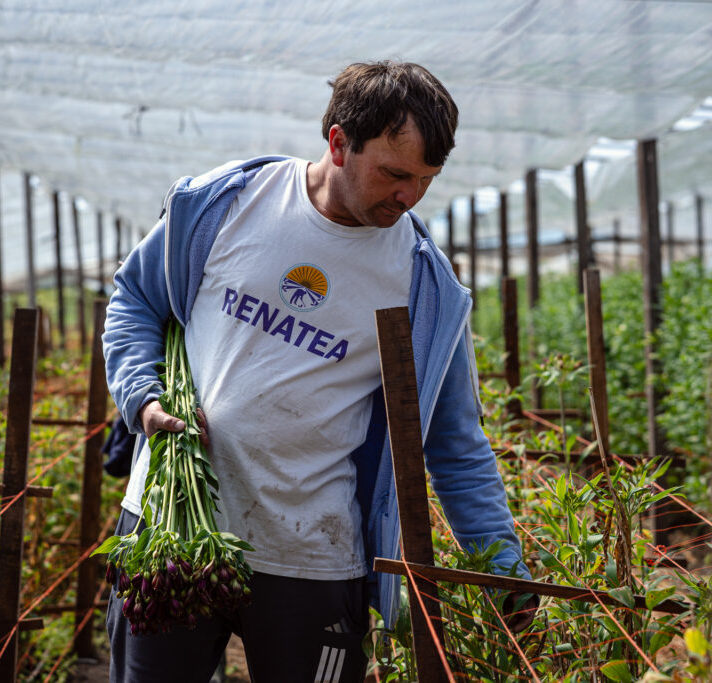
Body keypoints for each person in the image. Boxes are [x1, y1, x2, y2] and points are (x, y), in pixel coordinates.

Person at [102, 61, 534, 683]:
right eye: (394, 173)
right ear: (338, 142)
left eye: (425, 180)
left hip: (312, 555)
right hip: (173, 525)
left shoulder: (421, 283)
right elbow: (135, 302)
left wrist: (503, 570)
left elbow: (453, 442)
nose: (409, 196)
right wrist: (143, 398)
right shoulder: (225, 206)